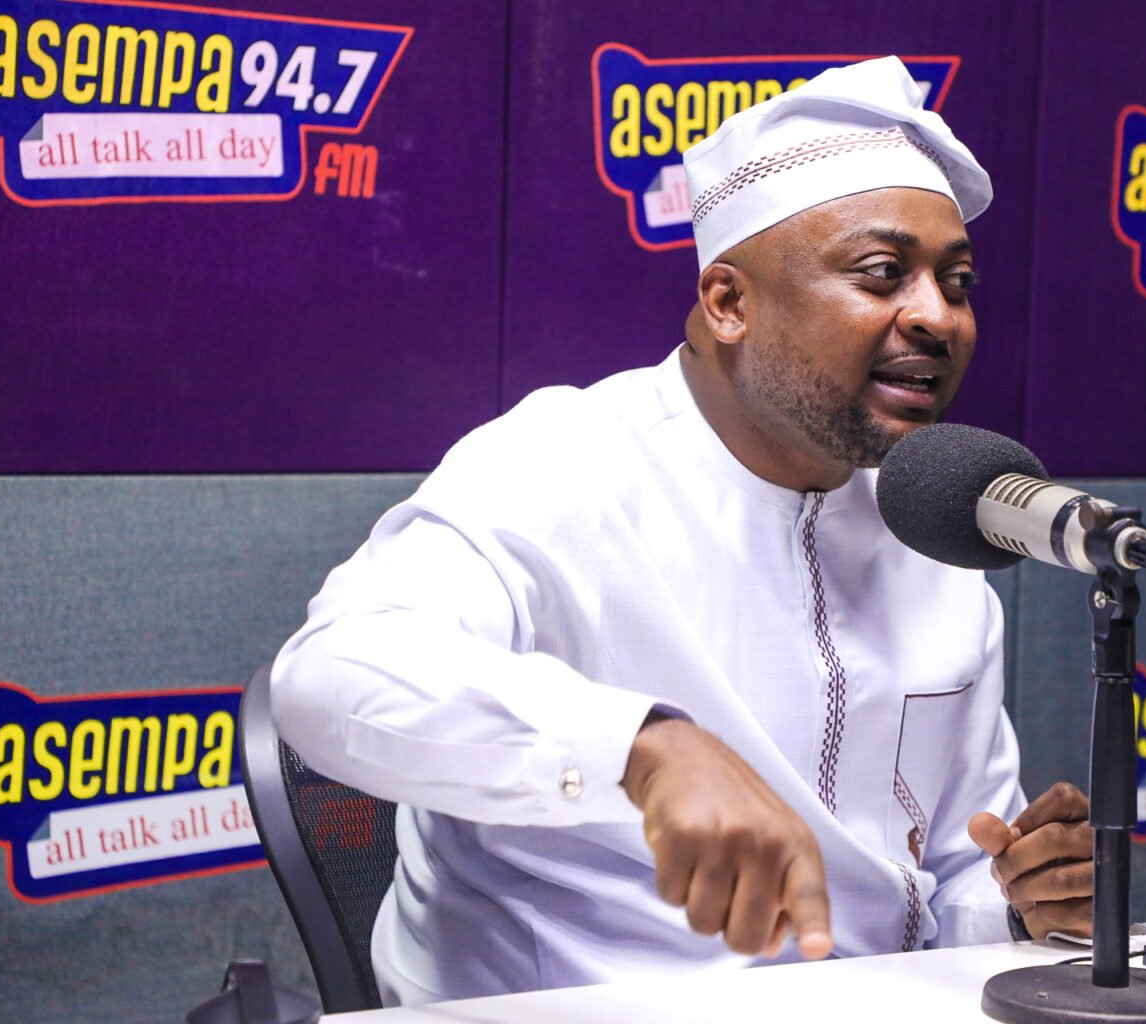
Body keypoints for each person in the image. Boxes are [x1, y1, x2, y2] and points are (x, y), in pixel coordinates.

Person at [271, 56, 1092, 1006]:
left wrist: (1020, 903)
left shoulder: (931, 520)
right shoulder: (563, 462)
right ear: (729, 302)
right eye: (882, 274)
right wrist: (639, 748)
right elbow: (331, 678)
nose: (938, 317)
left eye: (957, 281)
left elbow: (949, 883)